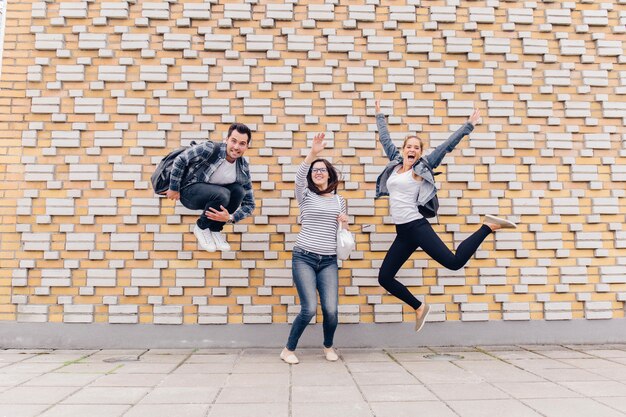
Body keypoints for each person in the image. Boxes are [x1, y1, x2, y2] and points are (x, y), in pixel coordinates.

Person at [374, 101, 517, 332]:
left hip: (417, 227)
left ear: (420, 152)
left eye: (416, 148)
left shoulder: (423, 166)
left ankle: (488, 226)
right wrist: (379, 115)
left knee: (453, 263)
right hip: (403, 232)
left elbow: (447, 146)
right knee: (385, 277)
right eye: (409, 146)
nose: (412, 150)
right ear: (403, 149)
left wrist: (468, 126)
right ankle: (419, 307)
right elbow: (385, 139)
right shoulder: (395, 164)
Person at [280, 133, 349, 365]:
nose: (317, 172)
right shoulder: (305, 195)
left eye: (322, 169)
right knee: (309, 308)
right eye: (314, 170)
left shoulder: (339, 200)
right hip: (304, 258)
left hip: (329, 260)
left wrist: (345, 222)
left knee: (331, 310)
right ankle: (288, 350)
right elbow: (299, 177)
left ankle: (328, 346)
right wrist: (313, 154)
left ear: (329, 174)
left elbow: (339, 231)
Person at [165, 123, 255, 252]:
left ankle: (215, 229)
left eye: (242, 143)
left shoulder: (242, 167)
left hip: (215, 198)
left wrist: (230, 218)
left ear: (247, 146)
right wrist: (174, 187)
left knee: (238, 191)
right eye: (233, 141)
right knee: (223, 193)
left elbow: (249, 204)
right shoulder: (210, 148)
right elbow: (181, 159)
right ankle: (201, 227)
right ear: (227, 140)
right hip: (190, 192)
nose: (236, 147)